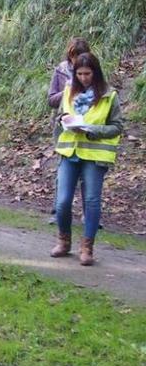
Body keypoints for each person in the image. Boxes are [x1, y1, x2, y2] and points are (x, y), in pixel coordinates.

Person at [51, 52, 121, 266]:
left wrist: (93, 130)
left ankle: (86, 247)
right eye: (80, 73)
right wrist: (62, 119)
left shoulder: (109, 95)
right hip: (69, 152)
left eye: (87, 73)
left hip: (94, 155)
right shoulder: (68, 91)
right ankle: (64, 241)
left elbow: (117, 127)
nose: (83, 78)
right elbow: (60, 116)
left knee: (91, 201)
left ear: (95, 72)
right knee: (62, 203)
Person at [46, 38, 91, 224]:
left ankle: (89, 214)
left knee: (88, 169)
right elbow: (51, 99)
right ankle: (59, 210)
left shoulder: (93, 71)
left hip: (87, 125)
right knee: (64, 166)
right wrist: (67, 91)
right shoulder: (61, 70)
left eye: (79, 57)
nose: (75, 61)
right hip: (63, 125)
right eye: (73, 57)